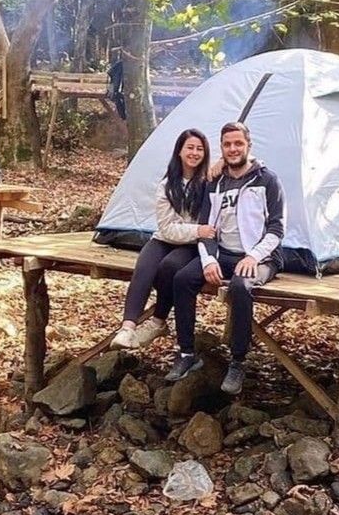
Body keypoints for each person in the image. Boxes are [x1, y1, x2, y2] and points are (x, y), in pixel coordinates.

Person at [167, 120, 285, 397]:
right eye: (227, 144)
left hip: (262, 257)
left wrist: (254, 255)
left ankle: (237, 361)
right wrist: (208, 260)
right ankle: (186, 352)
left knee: (239, 287)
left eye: (238, 144)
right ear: (221, 148)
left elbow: (277, 228)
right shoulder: (214, 182)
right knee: (183, 278)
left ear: (248, 145)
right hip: (224, 254)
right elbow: (206, 227)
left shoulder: (267, 180)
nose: (233, 149)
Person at [110, 129, 216, 350]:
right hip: (172, 237)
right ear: (179, 151)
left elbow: (247, 158)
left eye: (200, 149)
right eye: (190, 148)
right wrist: (198, 229)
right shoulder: (167, 185)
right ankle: (127, 328)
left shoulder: (209, 182)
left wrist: (223, 160)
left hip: (192, 245)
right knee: (145, 266)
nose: (194, 153)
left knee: (169, 267)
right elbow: (167, 229)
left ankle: (158, 321)